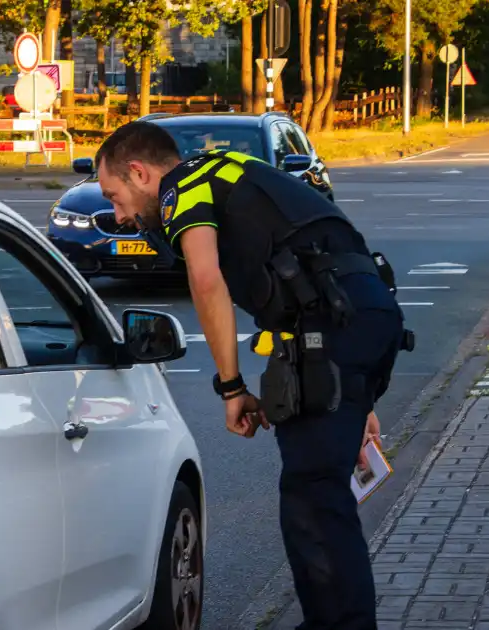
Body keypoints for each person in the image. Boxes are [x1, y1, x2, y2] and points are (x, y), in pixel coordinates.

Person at [94, 121, 410, 630]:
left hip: (331, 331)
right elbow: (327, 252)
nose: (119, 214)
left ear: (140, 172)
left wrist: (231, 386)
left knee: (314, 499)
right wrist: (362, 399)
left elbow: (204, 277)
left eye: (115, 196)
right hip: (360, 318)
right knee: (314, 492)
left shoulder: (184, 185)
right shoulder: (240, 170)